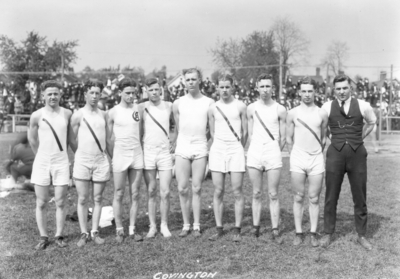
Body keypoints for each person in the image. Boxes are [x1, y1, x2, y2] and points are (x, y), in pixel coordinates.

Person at [319, 74, 376, 250]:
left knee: (360, 195)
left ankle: (362, 234)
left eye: (345, 88)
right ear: (333, 90)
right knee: (331, 195)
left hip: (357, 154)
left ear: (350, 88)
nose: (342, 91)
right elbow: (323, 128)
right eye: (338, 89)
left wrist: (359, 138)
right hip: (335, 154)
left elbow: (372, 122)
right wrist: (333, 139)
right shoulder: (327, 106)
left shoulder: (363, 105)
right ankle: (328, 232)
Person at [28, 80, 72, 250]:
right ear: (43, 96)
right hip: (42, 162)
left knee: (60, 201)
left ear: (60, 95)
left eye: (56, 93)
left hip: (61, 161)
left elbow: (70, 138)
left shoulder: (67, 113)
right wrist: (41, 156)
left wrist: (65, 156)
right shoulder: (36, 115)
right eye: (49, 94)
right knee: (41, 201)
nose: (53, 97)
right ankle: (43, 236)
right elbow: (32, 140)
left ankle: (59, 235)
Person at [172, 68, 214, 237]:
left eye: (193, 79)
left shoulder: (209, 102)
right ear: (184, 81)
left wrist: (204, 140)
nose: (191, 82)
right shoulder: (178, 103)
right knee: (182, 188)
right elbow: (177, 127)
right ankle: (186, 224)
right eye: (188, 79)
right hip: (182, 147)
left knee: (196, 188)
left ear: (199, 80)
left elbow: (211, 127)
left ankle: (196, 226)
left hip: (200, 147)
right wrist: (174, 144)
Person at [286, 77, 328, 247]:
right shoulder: (293, 113)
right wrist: (295, 155)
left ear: (315, 92)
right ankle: (298, 232)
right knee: (298, 196)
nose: (307, 94)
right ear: (299, 92)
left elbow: (324, 138)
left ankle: (313, 233)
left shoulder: (322, 113)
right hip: (298, 158)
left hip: (316, 158)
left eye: (310, 91)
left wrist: (316, 154)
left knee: (314, 198)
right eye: (304, 91)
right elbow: (288, 138)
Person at [246, 73, 286, 243]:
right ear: (257, 88)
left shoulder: (280, 109)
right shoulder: (251, 108)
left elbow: (283, 137)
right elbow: (250, 133)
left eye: (268, 86)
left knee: (273, 193)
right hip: (255, 151)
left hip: (272, 151)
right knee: (256, 192)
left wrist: (274, 149)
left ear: (273, 88)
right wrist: (256, 147)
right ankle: (256, 227)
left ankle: (275, 228)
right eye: (262, 86)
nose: (265, 90)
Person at [207, 74, 248, 242]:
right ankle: (219, 228)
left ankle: (237, 229)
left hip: (235, 149)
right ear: (217, 88)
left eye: (227, 87)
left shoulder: (240, 106)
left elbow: (244, 132)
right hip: (218, 150)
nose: (224, 90)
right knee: (218, 190)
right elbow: (213, 131)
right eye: (221, 87)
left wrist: (238, 146)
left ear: (232, 87)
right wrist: (220, 145)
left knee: (237, 190)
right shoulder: (212, 108)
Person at [69, 80, 110, 247]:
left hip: (100, 159)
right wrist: (81, 154)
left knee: (98, 198)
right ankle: (83, 233)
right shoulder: (78, 115)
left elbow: (108, 137)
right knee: (83, 198)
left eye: (97, 93)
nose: (94, 96)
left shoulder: (104, 114)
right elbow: (71, 139)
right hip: (83, 160)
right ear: (85, 94)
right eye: (91, 93)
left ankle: (94, 232)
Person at [106, 78, 144, 243]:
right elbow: (107, 139)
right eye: (127, 93)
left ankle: (132, 229)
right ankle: (119, 229)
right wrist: (113, 156)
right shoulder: (113, 112)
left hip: (136, 153)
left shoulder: (138, 109)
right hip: (120, 154)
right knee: (119, 193)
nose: (130, 96)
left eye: (133, 93)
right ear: (120, 93)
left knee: (135, 194)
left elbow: (141, 132)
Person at [138, 78, 173, 238]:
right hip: (148, 152)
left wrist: (176, 140)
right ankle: (152, 226)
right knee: (151, 191)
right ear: (146, 90)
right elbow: (137, 131)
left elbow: (180, 125)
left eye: (156, 89)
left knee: (165, 192)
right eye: (150, 90)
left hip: (164, 152)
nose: (154, 92)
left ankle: (164, 224)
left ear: (161, 90)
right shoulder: (141, 107)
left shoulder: (169, 106)